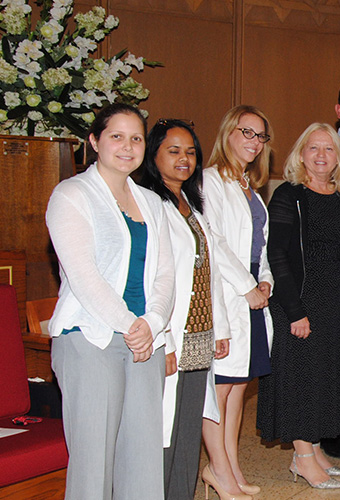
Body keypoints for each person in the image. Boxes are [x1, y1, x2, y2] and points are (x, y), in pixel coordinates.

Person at [46, 103, 175, 499]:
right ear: (94, 140)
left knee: (143, 461)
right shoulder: (72, 195)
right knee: (93, 465)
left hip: (145, 342)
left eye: (136, 138)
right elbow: (83, 275)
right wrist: (130, 324)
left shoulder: (152, 202)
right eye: (116, 136)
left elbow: (166, 273)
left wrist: (152, 324)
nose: (127, 146)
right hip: (91, 338)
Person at [257, 123, 340, 489]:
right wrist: (294, 310)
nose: (321, 155)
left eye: (329, 149)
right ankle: (302, 457)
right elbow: (277, 254)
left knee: (324, 378)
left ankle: (314, 450)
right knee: (301, 379)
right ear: (301, 154)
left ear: (338, 157)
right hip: (300, 299)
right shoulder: (289, 194)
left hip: (336, 301)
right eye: (313, 148)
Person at [138, 119, 232, 500]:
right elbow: (152, 279)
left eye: (191, 152)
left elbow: (210, 270)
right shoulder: (148, 203)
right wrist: (163, 339)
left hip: (199, 335)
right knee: (163, 430)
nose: (184, 159)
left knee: (189, 427)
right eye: (173, 150)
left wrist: (220, 327)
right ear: (154, 155)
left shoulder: (191, 204)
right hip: (171, 335)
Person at [201, 105, 275, 498]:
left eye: (260, 136)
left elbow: (261, 246)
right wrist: (247, 286)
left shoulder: (251, 189)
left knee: (237, 389)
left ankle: (230, 465)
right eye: (247, 132)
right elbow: (212, 241)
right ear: (228, 132)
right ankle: (217, 470)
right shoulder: (209, 181)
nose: (254, 141)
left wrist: (265, 280)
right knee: (219, 389)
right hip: (228, 295)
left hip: (252, 297)